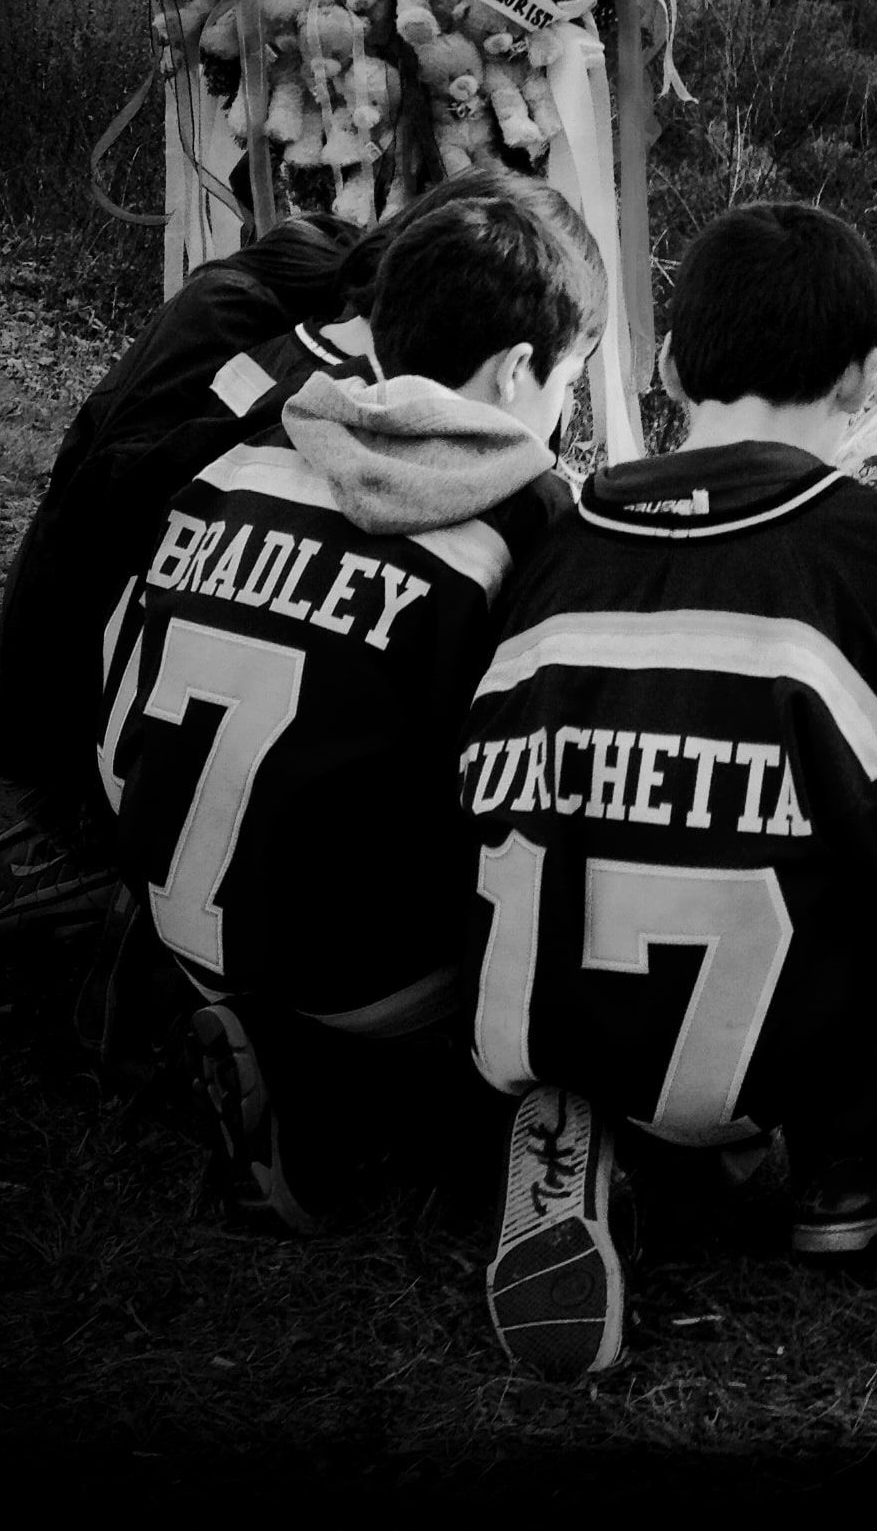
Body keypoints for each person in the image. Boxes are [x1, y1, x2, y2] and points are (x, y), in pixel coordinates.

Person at [464, 202, 877, 1378]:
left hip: (542, 1011)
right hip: (766, 1049)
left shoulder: (558, 533)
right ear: (871, 374)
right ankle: (856, 1157)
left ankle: (606, 1117)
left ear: (668, 362)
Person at [102, 174, 603, 1230]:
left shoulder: (244, 455)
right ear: (520, 369)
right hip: (369, 971)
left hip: (171, 893)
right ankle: (359, 1101)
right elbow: (539, 787)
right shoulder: (527, 521)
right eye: (571, 381)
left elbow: (119, 686)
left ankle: (196, 992)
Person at [0, 173, 514, 951]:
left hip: (56, 700)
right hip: (95, 737)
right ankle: (112, 856)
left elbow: (106, 497)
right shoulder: (287, 371)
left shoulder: (236, 330)